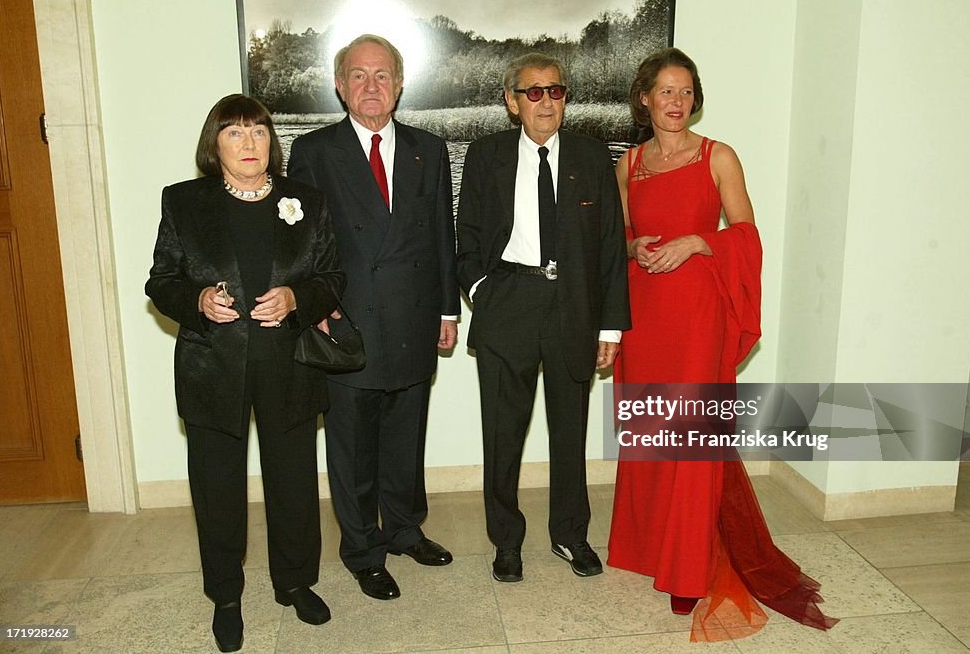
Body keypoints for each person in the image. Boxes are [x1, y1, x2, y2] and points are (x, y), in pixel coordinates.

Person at [606, 48, 837, 641]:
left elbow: (746, 233)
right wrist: (637, 249)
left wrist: (698, 243)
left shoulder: (718, 157)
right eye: (665, 91)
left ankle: (689, 567)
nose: (676, 102)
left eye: (685, 92)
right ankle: (651, 546)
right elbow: (620, 237)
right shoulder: (628, 164)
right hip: (647, 315)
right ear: (645, 98)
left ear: (694, 98)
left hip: (699, 316)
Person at [146, 94, 343, 652]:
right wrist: (199, 299)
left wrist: (297, 298)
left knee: (294, 484)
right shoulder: (183, 203)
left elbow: (332, 275)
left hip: (289, 367)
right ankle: (225, 597)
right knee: (217, 489)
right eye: (234, 133)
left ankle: (296, 583)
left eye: (257, 131)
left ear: (270, 141)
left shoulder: (306, 200)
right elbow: (161, 282)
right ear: (216, 146)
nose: (249, 143)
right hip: (214, 367)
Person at [287, 34, 459, 601]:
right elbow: (302, 244)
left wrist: (446, 308)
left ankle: (407, 531)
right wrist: (313, 307)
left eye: (382, 75)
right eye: (358, 75)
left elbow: (441, 236)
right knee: (353, 446)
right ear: (339, 86)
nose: (370, 86)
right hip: (347, 320)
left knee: (406, 439)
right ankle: (363, 550)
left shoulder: (427, 149)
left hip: (412, 317)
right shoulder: (314, 152)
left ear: (400, 84)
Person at [456, 53, 630, 583]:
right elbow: (467, 239)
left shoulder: (591, 155)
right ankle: (506, 542)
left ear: (565, 98)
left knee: (569, 432)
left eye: (555, 91)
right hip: (509, 302)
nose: (546, 102)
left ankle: (570, 535)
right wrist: (484, 291)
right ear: (512, 102)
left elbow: (610, 247)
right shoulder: (486, 156)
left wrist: (610, 325)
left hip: (573, 310)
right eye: (533, 92)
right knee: (503, 435)